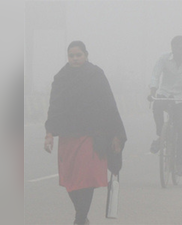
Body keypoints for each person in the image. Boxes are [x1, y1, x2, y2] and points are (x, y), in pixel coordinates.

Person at [44, 40, 126, 225]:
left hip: (92, 134)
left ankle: (80, 218)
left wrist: (116, 134)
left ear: (86, 55)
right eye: (71, 55)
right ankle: (81, 215)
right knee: (70, 180)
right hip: (68, 135)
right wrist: (49, 133)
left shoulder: (96, 75)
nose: (75, 58)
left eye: (78, 55)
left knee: (86, 179)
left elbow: (109, 105)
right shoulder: (61, 77)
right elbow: (54, 107)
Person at [148, 35, 182, 176]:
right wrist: (153, 91)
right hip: (165, 94)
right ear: (171, 48)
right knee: (156, 107)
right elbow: (155, 75)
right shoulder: (164, 59)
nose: (178, 50)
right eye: (176, 47)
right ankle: (161, 136)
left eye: (181, 47)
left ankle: (180, 165)